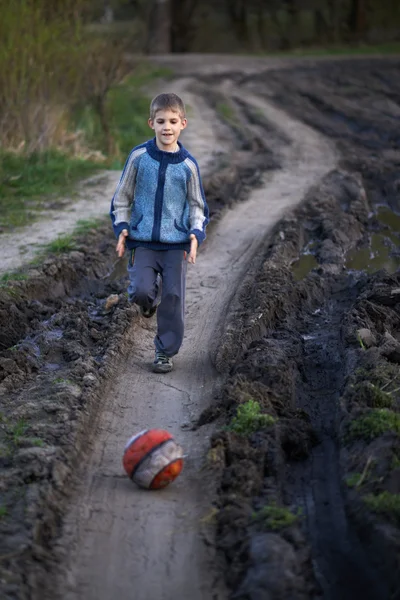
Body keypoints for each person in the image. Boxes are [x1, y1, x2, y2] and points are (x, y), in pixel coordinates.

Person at [110, 92, 209, 373]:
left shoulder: (188, 166)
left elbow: (197, 205)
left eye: (173, 121)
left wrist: (194, 234)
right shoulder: (139, 157)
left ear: (183, 124)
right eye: (161, 121)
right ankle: (147, 303)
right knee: (141, 290)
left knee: (174, 297)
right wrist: (123, 227)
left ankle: (164, 352)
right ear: (150, 123)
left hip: (175, 245)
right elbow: (122, 196)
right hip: (142, 241)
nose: (167, 127)